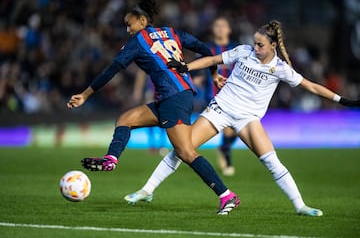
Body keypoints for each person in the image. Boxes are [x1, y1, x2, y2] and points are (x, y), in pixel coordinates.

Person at [124, 20, 360, 216]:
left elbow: (312, 87)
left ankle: (300, 206)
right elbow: (213, 60)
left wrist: (342, 100)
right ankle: (147, 190)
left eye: (260, 45)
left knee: (271, 161)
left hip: (247, 118)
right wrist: (186, 67)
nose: (255, 48)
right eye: (254, 43)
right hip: (220, 110)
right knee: (183, 148)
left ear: (273, 45)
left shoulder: (280, 69)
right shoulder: (243, 51)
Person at [66, 0, 239, 215]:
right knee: (125, 119)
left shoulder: (138, 41)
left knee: (185, 152)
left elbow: (112, 69)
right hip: (177, 95)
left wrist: (85, 94)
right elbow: (204, 49)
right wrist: (214, 74)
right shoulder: (172, 32)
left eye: (129, 24)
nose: (128, 29)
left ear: (142, 20)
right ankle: (111, 159)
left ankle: (227, 195)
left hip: (172, 97)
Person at [206, 16, 238, 176]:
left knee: (237, 130)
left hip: (236, 95)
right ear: (213, 29)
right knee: (226, 128)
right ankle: (228, 163)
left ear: (229, 29)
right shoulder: (207, 49)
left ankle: (223, 148)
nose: (219, 28)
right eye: (217, 25)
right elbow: (202, 67)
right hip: (214, 95)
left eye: (223, 25)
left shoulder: (235, 49)